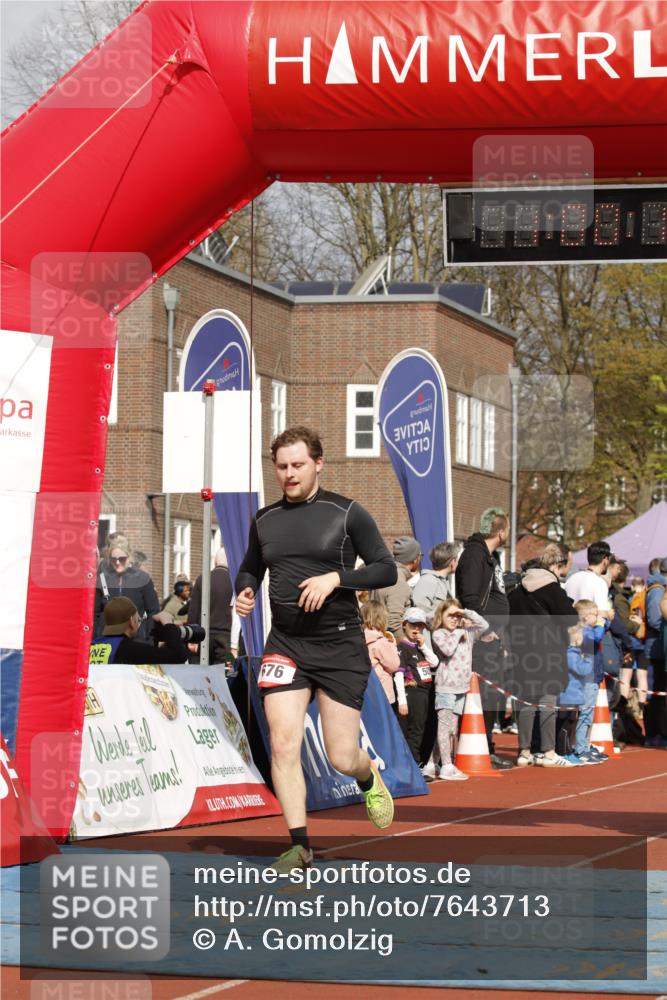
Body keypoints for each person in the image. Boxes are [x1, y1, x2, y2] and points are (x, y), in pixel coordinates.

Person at [235, 426, 397, 873]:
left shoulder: (346, 514)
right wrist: (245, 590)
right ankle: (299, 845)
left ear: (318, 463)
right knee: (283, 744)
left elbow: (386, 570)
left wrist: (337, 579)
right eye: (282, 467)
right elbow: (250, 568)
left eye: (297, 465)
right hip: (286, 645)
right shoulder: (264, 519)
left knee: (341, 755)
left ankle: (368, 776)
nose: (289, 475)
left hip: (340, 646)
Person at [508, 542, 578, 767]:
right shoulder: (554, 589)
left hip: (522, 652)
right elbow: (570, 619)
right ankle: (548, 752)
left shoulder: (518, 590)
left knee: (526, 702)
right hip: (548, 652)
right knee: (548, 700)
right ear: (560, 563)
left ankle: (524, 751)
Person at [455, 508, 513, 769]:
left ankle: (487, 745)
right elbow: (469, 598)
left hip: (494, 638)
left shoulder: (491, 557)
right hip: (482, 640)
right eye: (508, 529)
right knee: (484, 695)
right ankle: (481, 748)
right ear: (501, 532)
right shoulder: (474, 555)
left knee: (493, 696)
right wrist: (484, 630)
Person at [431, 598, 489, 780]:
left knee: (451, 729)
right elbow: (447, 650)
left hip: (461, 688)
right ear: (441, 615)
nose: (454, 619)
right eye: (450, 615)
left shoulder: (467, 632)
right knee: (444, 725)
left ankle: (432, 763)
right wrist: (457, 633)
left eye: (457, 616)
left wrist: (465, 612)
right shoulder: (439, 633)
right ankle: (447, 765)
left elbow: (484, 625)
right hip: (445, 687)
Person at [395, 607, 439, 777]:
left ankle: (414, 765)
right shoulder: (402, 647)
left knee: (420, 730)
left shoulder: (419, 647)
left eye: (420, 626)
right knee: (413, 732)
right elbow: (398, 675)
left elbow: (434, 662)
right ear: (404, 625)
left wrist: (424, 645)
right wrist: (402, 701)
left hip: (423, 694)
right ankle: (411, 767)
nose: (416, 629)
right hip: (411, 693)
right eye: (413, 625)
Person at [95, 534, 160, 641]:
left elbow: (153, 612)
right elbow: (95, 614)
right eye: (113, 559)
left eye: (122, 559)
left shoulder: (143, 579)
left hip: (136, 640)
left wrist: (149, 639)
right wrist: (95, 639)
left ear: (129, 557)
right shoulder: (102, 580)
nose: (117, 562)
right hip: (107, 641)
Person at [569, 599, 611, 764]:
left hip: (594, 675)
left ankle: (584, 746)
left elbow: (604, 628)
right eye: (594, 614)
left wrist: (603, 620)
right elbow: (595, 639)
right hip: (587, 677)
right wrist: (600, 624)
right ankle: (580, 748)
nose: (597, 617)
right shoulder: (584, 631)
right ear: (585, 617)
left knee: (588, 713)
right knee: (585, 713)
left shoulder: (589, 629)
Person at [89, 596, 189, 665]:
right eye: (138, 620)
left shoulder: (91, 647)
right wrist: (168, 624)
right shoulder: (129, 650)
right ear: (132, 621)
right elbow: (178, 656)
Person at [189, 547, 234, 664]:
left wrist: (191, 637)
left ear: (215, 561)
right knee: (221, 673)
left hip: (202, 634)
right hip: (225, 635)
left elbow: (193, 610)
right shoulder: (234, 581)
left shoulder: (203, 578)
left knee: (201, 673)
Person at [376, 537, 421, 638]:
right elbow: (394, 624)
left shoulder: (385, 575)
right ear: (415, 559)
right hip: (392, 646)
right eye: (420, 555)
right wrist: (408, 647)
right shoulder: (398, 582)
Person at [360, 600, 400, 705]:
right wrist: (393, 647)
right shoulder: (381, 642)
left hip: (366, 691)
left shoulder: (361, 639)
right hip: (382, 692)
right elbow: (394, 665)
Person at [411, 542, 458, 624]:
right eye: (456, 560)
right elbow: (419, 614)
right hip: (429, 635)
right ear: (452, 562)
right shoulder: (427, 580)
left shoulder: (443, 581)